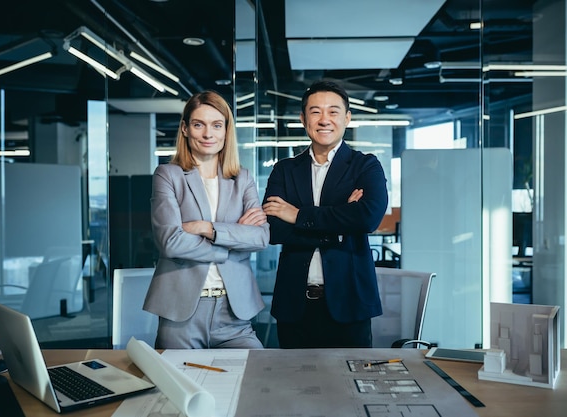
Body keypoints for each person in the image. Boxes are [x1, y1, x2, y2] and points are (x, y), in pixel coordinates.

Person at [262, 80, 388, 348]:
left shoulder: (365, 165)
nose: (324, 120)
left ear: (347, 117)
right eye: (315, 111)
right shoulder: (285, 170)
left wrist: (298, 216)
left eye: (333, 111)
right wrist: (341, 225)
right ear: (303, 118)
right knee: (293, 385)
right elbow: (274, 230)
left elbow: (367, 218)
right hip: (295, 306)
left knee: (351, 387)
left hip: (349, 304)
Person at [144, 90, 269, 349]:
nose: (208, 134)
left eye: (216, 125)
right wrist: (233, 241)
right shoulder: (168, 175)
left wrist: (207, 229)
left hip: (235, 314)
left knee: (256, 379)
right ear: (185, 129)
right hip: (181, 313)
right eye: (198, 124)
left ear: (226, 130)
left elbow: (260, 237)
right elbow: (170, 243)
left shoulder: (242, 178)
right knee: (180, 389)